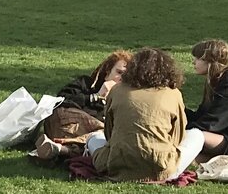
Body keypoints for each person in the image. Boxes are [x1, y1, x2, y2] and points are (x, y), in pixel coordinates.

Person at [83, 47, 204, 183]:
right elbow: (178, 136)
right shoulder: (173, 93)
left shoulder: (117, 90)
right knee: (197, 135)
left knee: (93, 138)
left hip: (117, 165)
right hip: (162, 169)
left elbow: (109, 134)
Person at [34, 50, 132, 160]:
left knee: (102, 139)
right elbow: (62, 100)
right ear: (107, 73)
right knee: (109, 134)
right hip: (66, 122)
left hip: (88, 137)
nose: (121, 79)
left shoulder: (125, 100)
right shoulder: (86, 83)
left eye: (126, 77)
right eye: (119, 73)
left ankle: (59, 149)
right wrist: (96, 96)